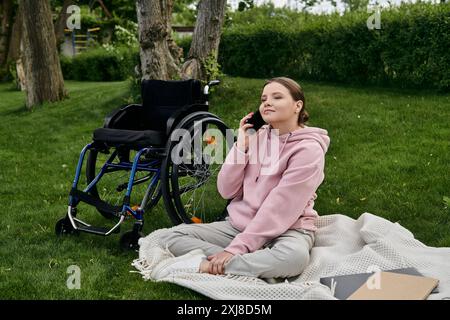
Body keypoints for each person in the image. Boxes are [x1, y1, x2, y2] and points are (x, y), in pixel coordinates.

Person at [151, 77, 330, 281]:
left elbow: (280, 207)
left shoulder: (309, 150)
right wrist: (241, 146)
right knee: (171, 237)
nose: (267, 103)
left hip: (288, 228)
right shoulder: (257, 136)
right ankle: (247, 261)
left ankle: (208, 265)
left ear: (298, 105)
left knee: (294, 258)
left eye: (277, 97)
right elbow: (226, 190)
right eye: (263, 99)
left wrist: (236, 248)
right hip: (240, 225)